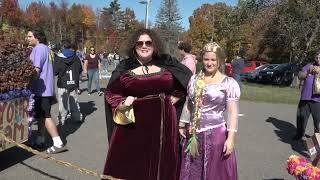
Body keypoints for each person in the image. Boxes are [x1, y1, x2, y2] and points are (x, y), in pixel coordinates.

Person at [102, 28, 192, 180]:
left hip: (164, 124)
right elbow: (111, 93)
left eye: (148, 42)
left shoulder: (167, 62)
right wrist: (123, 102)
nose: (144, 46)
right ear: (134, 46)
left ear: (154, 44)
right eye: (140, 43)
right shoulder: (125, 66)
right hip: (134, 125)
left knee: (161, 163)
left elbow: (188, 82)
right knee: (135, 163)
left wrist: (178, 96)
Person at [179, 42, 240, 180]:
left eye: (213, 60)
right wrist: (182, 123)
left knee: (214, 173)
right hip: (193, 134)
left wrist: (230, 139)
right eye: (206, 59)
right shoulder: (194, 79)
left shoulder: (228, 83)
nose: (209, 63)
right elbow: (189, 103)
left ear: (219, 61)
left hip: (216, 135)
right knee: (193, 170)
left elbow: (232, 113)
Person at [27, 28, 67, 154]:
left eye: (29, 36)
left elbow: (36, 69)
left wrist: (24, 79)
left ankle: (58, 142)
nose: (27, 38)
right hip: (47, 88)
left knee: (45, 115)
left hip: (41, 89)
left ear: (36, 37)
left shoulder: (38, 49)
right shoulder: (48, 49)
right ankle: (40, 139)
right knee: (41, 116)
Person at [292, 50, 320, 140]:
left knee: (317, 121)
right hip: (305, 97)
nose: (318, 59)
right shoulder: (309, 65)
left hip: (318, 100)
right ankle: (299, 133)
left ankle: (317, 137)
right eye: (317, 57)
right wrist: (308, 71)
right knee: (301, 117)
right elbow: (300, 76)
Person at [54, 42, 83, 125]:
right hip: (73, 82)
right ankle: (77, 117)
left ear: (63, 47)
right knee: (74, 100)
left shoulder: (59, 58)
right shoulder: (76, 57)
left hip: (62, 83)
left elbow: (55, 71)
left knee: (63, 102)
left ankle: (62, 119)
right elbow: (79, 69)